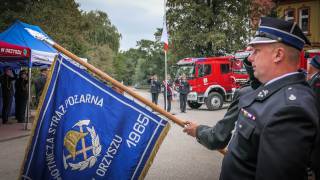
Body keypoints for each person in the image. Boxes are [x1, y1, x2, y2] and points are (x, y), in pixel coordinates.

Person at [214, 17, 319, 180]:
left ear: (278, 54)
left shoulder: (290, 109)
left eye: (256, 51)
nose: (250, 58)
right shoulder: (273, 91)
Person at [183, 55, 261, 150]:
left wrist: (197, 130)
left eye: (256, 50)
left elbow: (219, 136)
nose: (249, 58)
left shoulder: (245, 94)